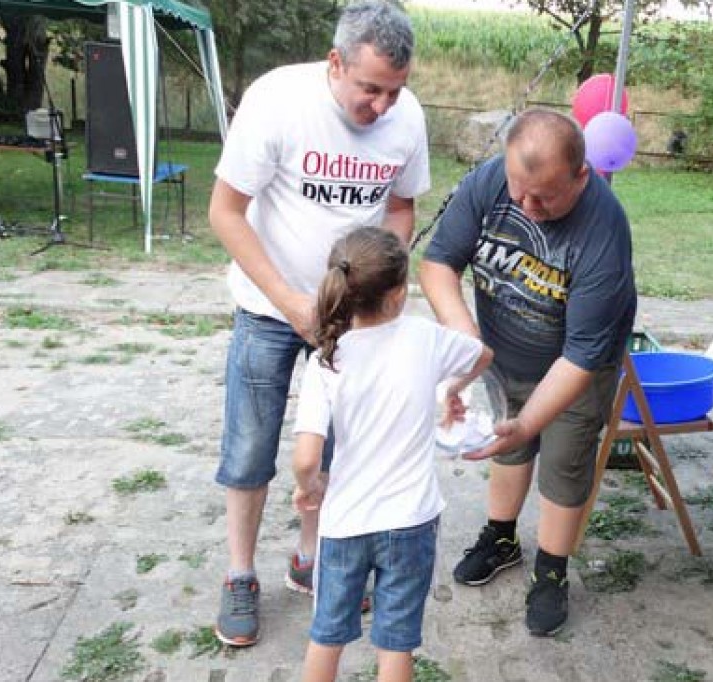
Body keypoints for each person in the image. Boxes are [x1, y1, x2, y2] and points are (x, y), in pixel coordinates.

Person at [208, 1, 430, 647]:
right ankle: (240, 572)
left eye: (395, 90)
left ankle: (311, 559)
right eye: (369, 89)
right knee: (250, 446)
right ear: (336, 64)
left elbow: (399, 210)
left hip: (351, 319)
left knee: (337, 445)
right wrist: (290, 302)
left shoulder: (405, 117)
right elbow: (226, 213)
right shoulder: (277, 100)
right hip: (267, 309)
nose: (383, 106)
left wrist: (379, 290)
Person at [418, 108, 637, 636]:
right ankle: (501, 538)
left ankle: (553, 571)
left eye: (546, 197)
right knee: (507, 444)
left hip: (577, 368)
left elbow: (581, 356)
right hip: (502, 350)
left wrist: (532, 418)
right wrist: (469, 346)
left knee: (562, 459)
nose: (529, 207)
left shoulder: (604, 231)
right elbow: (438, 264)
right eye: (520, 192)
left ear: (581, 176)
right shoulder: (489, 181)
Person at [293, 227, 493, 682]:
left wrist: (310, 488)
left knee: (327, 634)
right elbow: (481, 354)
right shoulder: (424, 338)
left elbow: (307, 458)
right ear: (400, 294)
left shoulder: (326, 358)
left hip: (345, 521)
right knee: (395, 643)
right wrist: (452, 389)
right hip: (411, 519)